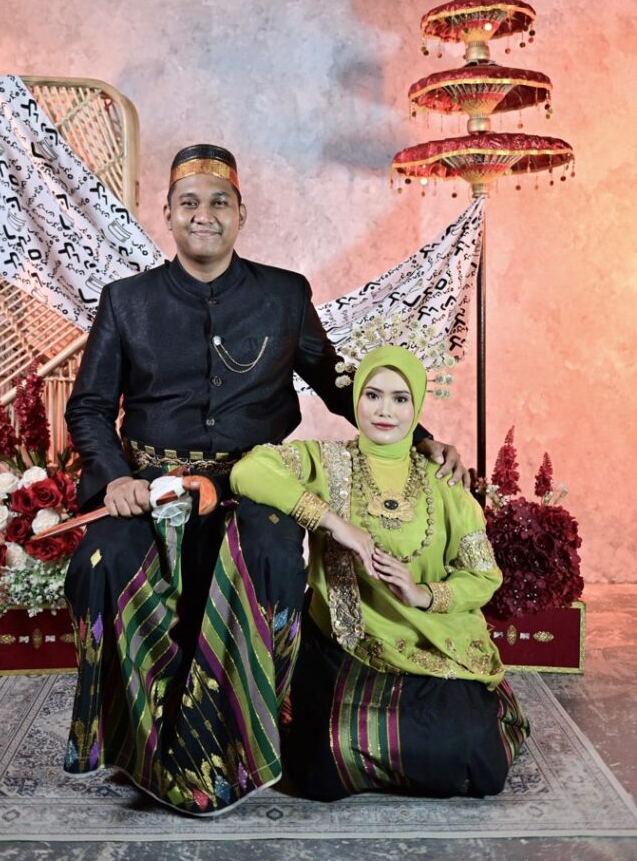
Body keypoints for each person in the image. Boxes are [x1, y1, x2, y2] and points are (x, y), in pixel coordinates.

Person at [62, 144, 468, 810]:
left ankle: (244, 744)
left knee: (274, 555)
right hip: (149, 488)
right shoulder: (126, 301)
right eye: (189, 203)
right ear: (167, 213)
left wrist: (420, 437)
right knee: (103, 561)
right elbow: (89, 407)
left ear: (241, 213)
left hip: (253, 485)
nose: (204, 215)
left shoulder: (283, 295)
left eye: (219, 202)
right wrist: (112, 479)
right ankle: (138, 747)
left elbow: (337, 382)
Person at [230, 345, 530, 800]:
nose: (384, 411)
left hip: (433, 639)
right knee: (323, 764)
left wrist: (423, 594)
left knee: (471, 751)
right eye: (372, 395)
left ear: (417, 406)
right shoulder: (327, 461)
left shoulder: (444, 481)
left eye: (400, 398)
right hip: (348, 642)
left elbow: (484, 576)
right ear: (355, 401)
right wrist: (332, 523)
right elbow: (249, 471)